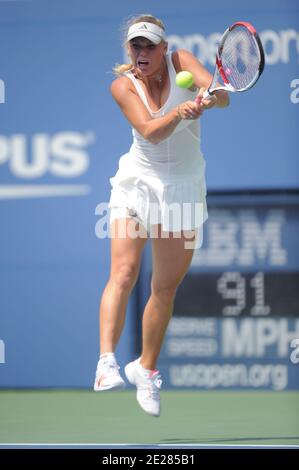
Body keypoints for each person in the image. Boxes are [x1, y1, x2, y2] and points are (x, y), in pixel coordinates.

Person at [94, 14, 229, 417]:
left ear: (164, 48)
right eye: (135, 45)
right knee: (124, 272)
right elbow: (150, 131)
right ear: (129, 50)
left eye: (149, 45)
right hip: (136, 184)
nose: (142, 52)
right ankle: (106, 362)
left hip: (184, 189)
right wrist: (180, 113)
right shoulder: (122, 86)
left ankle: (146, 369)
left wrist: (209, 97)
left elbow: (223, 95)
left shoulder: (182, 61)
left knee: (165, 288)